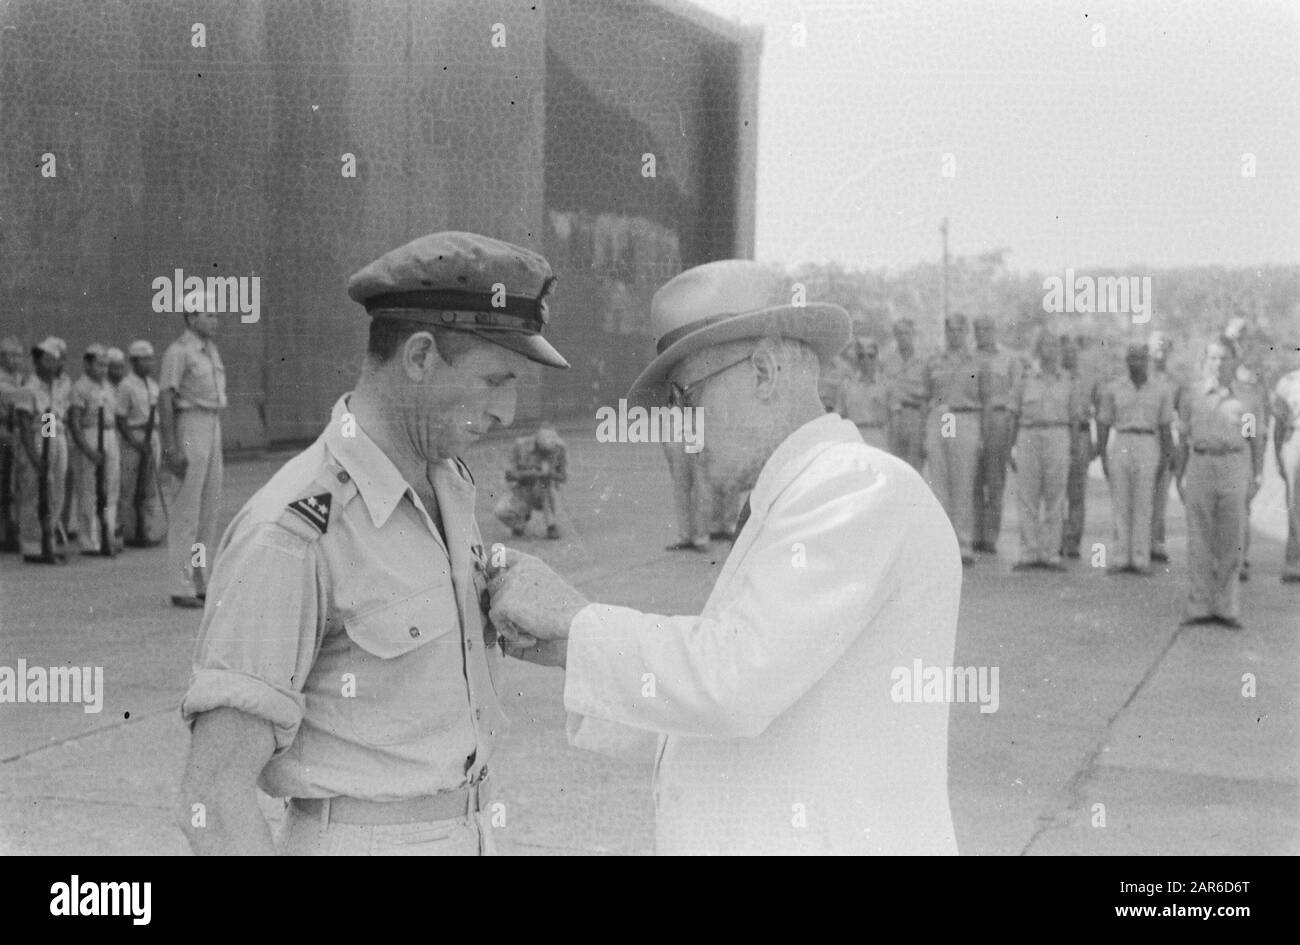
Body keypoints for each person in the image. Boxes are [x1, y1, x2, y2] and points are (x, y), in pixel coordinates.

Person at [487, 259, 961, 855]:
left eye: (687, 397)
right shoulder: (794, 498)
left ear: (763, 370)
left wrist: (576, 623)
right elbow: (727, 705)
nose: (685, 430)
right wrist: (566, 651)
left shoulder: (857, 488)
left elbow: (732, 682)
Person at [178, 231, 571, 857]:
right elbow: (214, 799)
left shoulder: (445, 485)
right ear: (418, 356)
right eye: (496, 380)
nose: (507, 411)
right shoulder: (294, 531)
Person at [1175, 337, 1258, 628]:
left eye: (1224, 358)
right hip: (1200, 462)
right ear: (1205, 361)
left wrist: (1256, 475)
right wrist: (1179, 473)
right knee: (1199, 537)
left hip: (1233, 463)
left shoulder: (1246, 398)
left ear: (1235, 361)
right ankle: (1198, 605)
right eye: (1213, 358)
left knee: (1231, 539)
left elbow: (1254, 440)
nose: (1219, 364)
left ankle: (1226, 606)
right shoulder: (1193, 396)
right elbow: (1184, 436)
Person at [159, 293, 227, 606]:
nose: (215, 320)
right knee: (187, 509)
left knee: (208, 510)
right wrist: (171, 446)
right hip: (190, 424)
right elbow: (165, 399)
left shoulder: (210, 351)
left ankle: (200, 579)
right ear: (190, 318)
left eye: (216, 315)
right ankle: (180, 585)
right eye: (209, 315)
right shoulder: (179, 352)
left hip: (212, 424)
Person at [1096, 342, 1175, 575]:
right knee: (1121, 502)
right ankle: (1121, 557)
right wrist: (1102, 454)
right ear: (1126, 361)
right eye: (1131, 358)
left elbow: (1166, 427)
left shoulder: (1161, 390)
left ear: (1147, 361)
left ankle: (1140, 558)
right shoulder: (1114, 388)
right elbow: (1103, 423)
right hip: (1122, 440)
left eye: (1140, 359)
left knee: (1143, 503)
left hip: (1148, 441)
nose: (1136, 363)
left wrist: (1166, 458)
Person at [1010, 330, 1080, 571]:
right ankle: (1029, 551)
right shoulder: (1026, 377)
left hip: (1058, 434)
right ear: (1038, 348)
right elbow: (1014, 412)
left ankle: (1051, 553)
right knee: (1027, 495)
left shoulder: (1067, 380)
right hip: (1028, 434)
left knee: (1055, 496)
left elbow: (1074, 417)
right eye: (1045, 345)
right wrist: (1011, 445)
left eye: (1054, 345)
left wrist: (1073, 448)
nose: (1050, 349)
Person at [922, 312, 989, 565]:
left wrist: (981, 433)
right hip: (939, 417)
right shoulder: (933, 361)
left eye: (960, 330)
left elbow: (986, 398)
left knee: (963, 483)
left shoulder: (977, 362)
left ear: (966, 333)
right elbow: (925, 396)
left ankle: (962, 543)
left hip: (965, 418)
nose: (954, 334)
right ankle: (941, 543)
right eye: (950, 330)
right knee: (938, 482)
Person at [13, 337, 71, 563]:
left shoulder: (58, 385)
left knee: (56, 491)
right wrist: (36, 456)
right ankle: (32, 545)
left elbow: (53, 417)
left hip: (55, 436)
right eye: (47, 360)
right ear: (37, 362)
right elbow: (25, 425)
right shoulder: (29, 389)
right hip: (39, 437)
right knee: (34, 493)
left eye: (56, 361)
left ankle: (49, 540)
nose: (53, 365)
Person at [1223, 317, 1270, 582]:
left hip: (1243, 445)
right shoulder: (1215, 366)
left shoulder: (1253, 373)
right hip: (1219, 443)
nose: (1237, 343)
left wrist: (1259, 465)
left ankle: (1239, 560)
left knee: (1242, 507)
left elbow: (1260, 423)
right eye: (1233, 338)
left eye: (1241, 337)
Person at [972, 315, 1023, 553]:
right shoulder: (968, 358)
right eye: (978, 329)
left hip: (999, 419)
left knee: (995, 479)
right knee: (973, 478)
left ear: (995, 330)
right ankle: (974, 534)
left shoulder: (1010, 359)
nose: (983, 333)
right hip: (973, 417)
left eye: (987, 328)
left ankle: (990, 536)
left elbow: (1017, 393)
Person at [67, 343, 121, 556]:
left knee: (111, 490)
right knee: (89, 491)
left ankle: (107, 536)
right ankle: (89, 541)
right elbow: (74, 422)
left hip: (108, 435)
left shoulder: (107, 386)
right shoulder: (80, 388)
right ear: (87, 364)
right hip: (90, 434)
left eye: (106, 365)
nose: (103, 369)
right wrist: (88, 450)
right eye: (99, 364)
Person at [116, 340, 166, 546]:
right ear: (133, 362)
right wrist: (136, 444)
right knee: (129, 487)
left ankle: (146, 530)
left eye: (150, 359)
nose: (148, 364)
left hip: (151, 435)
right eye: (142, 360)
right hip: (134, 436)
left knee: (150, 487)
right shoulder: (126, 385)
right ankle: (129, 532)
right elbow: (120, 418)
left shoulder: (153, 386)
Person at [495, 423, 567, 539]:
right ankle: (521, 519)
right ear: (537, 443)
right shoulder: (520, 445)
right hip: (522, 488)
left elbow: (563, 477)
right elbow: (509, 475)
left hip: (545, 490)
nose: (546, 455)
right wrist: (532, 473)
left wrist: (549, 473)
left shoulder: (559, 448)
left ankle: (551, 525)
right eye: (543, 451)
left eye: (549, 452)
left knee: (544, 487)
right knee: (500, 511)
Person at [1147, 331, 1181, 562]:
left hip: (1166, 436)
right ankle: (1136, 543)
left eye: (1165, 346)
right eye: (1157, 346)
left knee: (1160, 493)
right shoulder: (1140, 376)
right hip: (1145, 436)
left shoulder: (1173, 382)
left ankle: (1156, 543)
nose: (1161, 350)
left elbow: (1178, 412)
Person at [882, 317, 927, 470]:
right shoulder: (886, 360)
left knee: (915, 467)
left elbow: (928, 392)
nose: (903, 337)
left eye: (907, 333)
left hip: (915, 415)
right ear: (895, 336)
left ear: (913, 334)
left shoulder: (924, 361)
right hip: (893, 417)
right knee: (893, 465)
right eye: (899, 334)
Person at [833, 335, 890, 449]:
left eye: (870, 356)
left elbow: (894, 419)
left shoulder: (886, 385)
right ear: (856, 358)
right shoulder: (846, 385)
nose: (866, 360)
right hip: (853, 437)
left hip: (877, 436)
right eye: (861, 356)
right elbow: (839, 416)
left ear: (877, 357)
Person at [0, 336, 28, 552]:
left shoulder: (23, 380)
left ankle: (16, 530)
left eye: (18, 355)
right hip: (3, 436)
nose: (15, 360)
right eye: (10, 355)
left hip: (19, 437)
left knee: (18, 486)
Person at [1274, 364, 1300, 583]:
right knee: (1295, 503)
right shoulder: (1288, 382)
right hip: (1296, 439)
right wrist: (1277, 453)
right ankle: (1294, 561)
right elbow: (1279, 424)